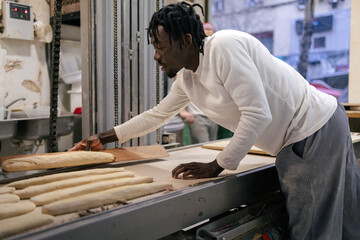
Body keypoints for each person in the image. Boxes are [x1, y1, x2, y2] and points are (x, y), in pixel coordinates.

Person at [70, 2, 360, 239]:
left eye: (161, 47)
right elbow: (157, 114)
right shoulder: (188, 77)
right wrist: (103, 138)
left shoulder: (223, 47)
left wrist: (216, 165)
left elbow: (258, 113)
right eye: (154, 48)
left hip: (312, 130)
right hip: (311, 131)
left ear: (185, 40)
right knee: (343, 222)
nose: (157, 57)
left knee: (314, 229)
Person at [179, 22, 219, 144]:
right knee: (204, 148)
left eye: (211, 37)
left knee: (213, 148)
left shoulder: (214, 63)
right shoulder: (188, 65)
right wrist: (183, 112)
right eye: (205, 37)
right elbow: (179, 91)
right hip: (197, 117)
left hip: (212, 116)